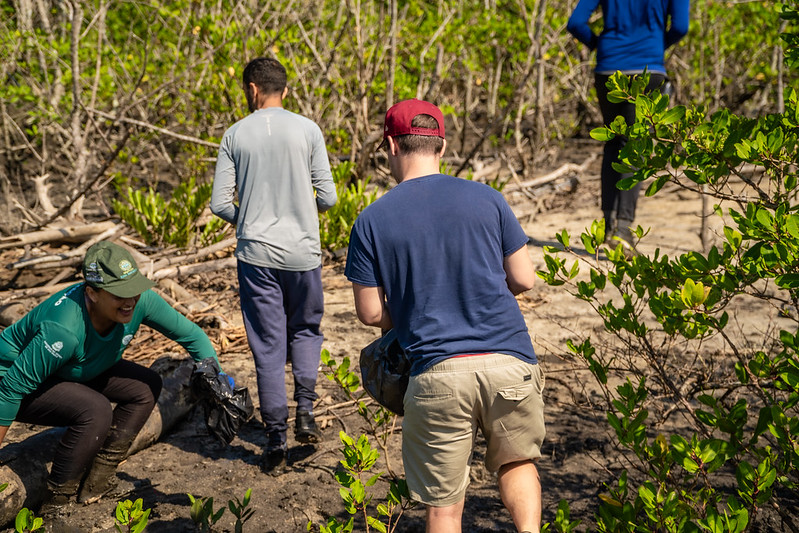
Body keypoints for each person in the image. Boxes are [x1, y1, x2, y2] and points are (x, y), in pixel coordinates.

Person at [345, 99, 546, 533]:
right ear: (442, 146)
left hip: (437, 374)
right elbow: (525, 279)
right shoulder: (489, 199)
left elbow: (370, 312)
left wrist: (417, 306)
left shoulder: (370, 221)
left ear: (391, 146)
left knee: (443, 507)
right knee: (516, 464)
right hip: (509, 361)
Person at [0, 241, 222, 514]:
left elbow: (191, 335)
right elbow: (10, 390)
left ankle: (98, 481)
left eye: (134, 291)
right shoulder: (62, 329)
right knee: (95, 410)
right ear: (92, 293)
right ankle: (56, 505)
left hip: (74, 368)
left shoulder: (140, 302)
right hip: (12, 379)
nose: (130, 301)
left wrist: (218, 381)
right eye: (119, 295)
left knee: (146, 385)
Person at [210, 56, 337, 476]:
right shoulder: (308, 129)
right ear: (285, 89)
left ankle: (276, 439)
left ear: (251, 89)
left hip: (256, 256)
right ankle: (305, 412)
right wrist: (303, 208)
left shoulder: (234, 135)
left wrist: (248, 220)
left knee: (267, 345)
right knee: (305, 329)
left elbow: (219, 204)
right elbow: (330, 197)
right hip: (303, 253)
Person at [567, 0, 690, 247]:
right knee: (635, 145)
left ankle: (610, 222)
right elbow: (680, 27)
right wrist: (655, 47)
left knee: (613, 142)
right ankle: (622, 228)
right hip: (649, 68)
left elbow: (575, 23)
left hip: (608, 68)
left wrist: (599, 46)